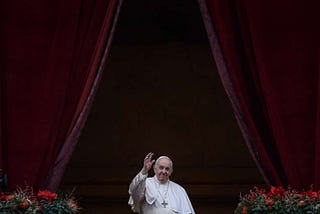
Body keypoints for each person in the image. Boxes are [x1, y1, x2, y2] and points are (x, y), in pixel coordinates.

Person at [128, 152, 195, 214]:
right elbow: (133, 191)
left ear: (171, 171)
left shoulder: (179, 190)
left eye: (167, 169)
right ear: (154, 169)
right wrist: (144, 171)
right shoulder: (146, 183)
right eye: (161, 167)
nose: (164, 171)